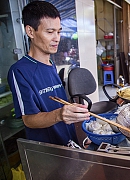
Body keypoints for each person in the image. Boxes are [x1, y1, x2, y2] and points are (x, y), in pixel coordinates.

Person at [7, 1, 90, 146]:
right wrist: (59, 115)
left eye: (58, 31)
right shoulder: (19, 71)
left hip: (69, 143)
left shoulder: (51, 64)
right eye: (50, 32)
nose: (57, 38)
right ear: (30, 31)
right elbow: (28, 120)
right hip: (49, 152)